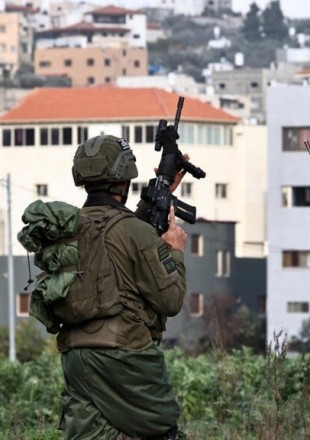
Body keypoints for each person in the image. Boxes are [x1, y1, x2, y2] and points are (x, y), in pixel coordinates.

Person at [23, 133, 188, 440]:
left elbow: (112, 238)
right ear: (125, 177)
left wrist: (159, 195)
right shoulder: (135, 232)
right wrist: (175, 250)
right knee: (161, 432)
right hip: (126, 357)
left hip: (76, 357)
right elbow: (171, 300)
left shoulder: (73, 228)